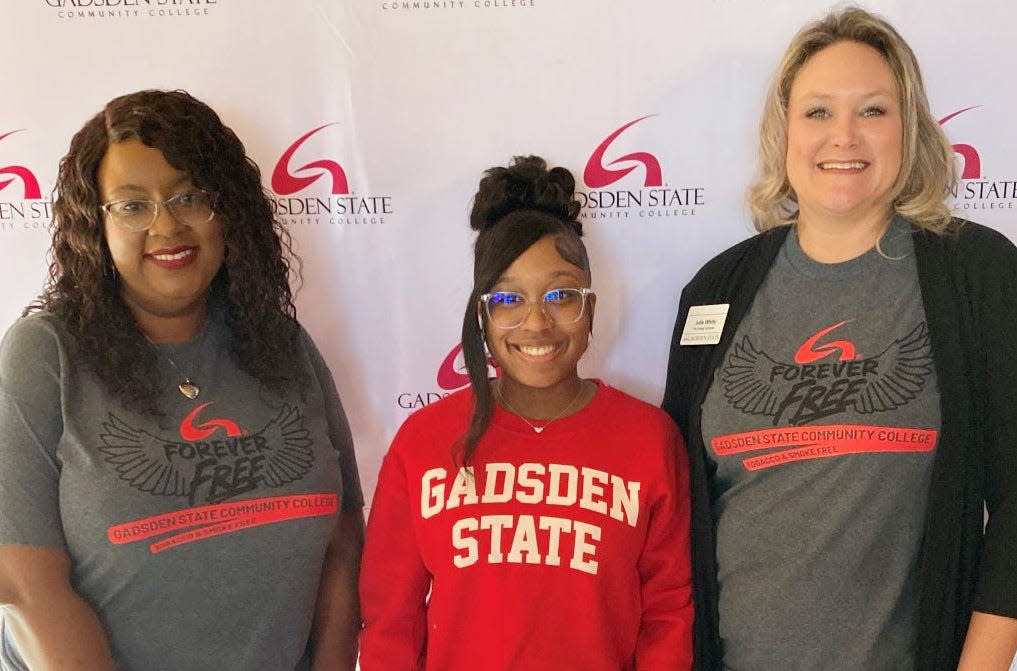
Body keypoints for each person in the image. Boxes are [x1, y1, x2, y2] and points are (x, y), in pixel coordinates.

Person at [662, 8, 1017, 671]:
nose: (843, 136)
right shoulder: (715, 289)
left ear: (909, 127)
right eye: (817, 112)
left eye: (873, 111)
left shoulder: (975, 272)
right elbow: (676, 515)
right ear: (783, 130)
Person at [0, 90, 364, 671]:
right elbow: (22, 585)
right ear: (94, 222)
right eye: (133, 205)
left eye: (189, 197)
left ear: (230, 211)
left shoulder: (284, 348)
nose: (167, 225)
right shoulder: (45, 355)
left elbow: (343, 546)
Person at [359, 156, 694, 670]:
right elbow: (390, 622)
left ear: (591, 311)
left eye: (560, 295)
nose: (537, 322)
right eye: (509, 299)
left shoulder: (649, 439)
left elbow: (668, 613)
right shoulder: (423, 441)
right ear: (483, 316)